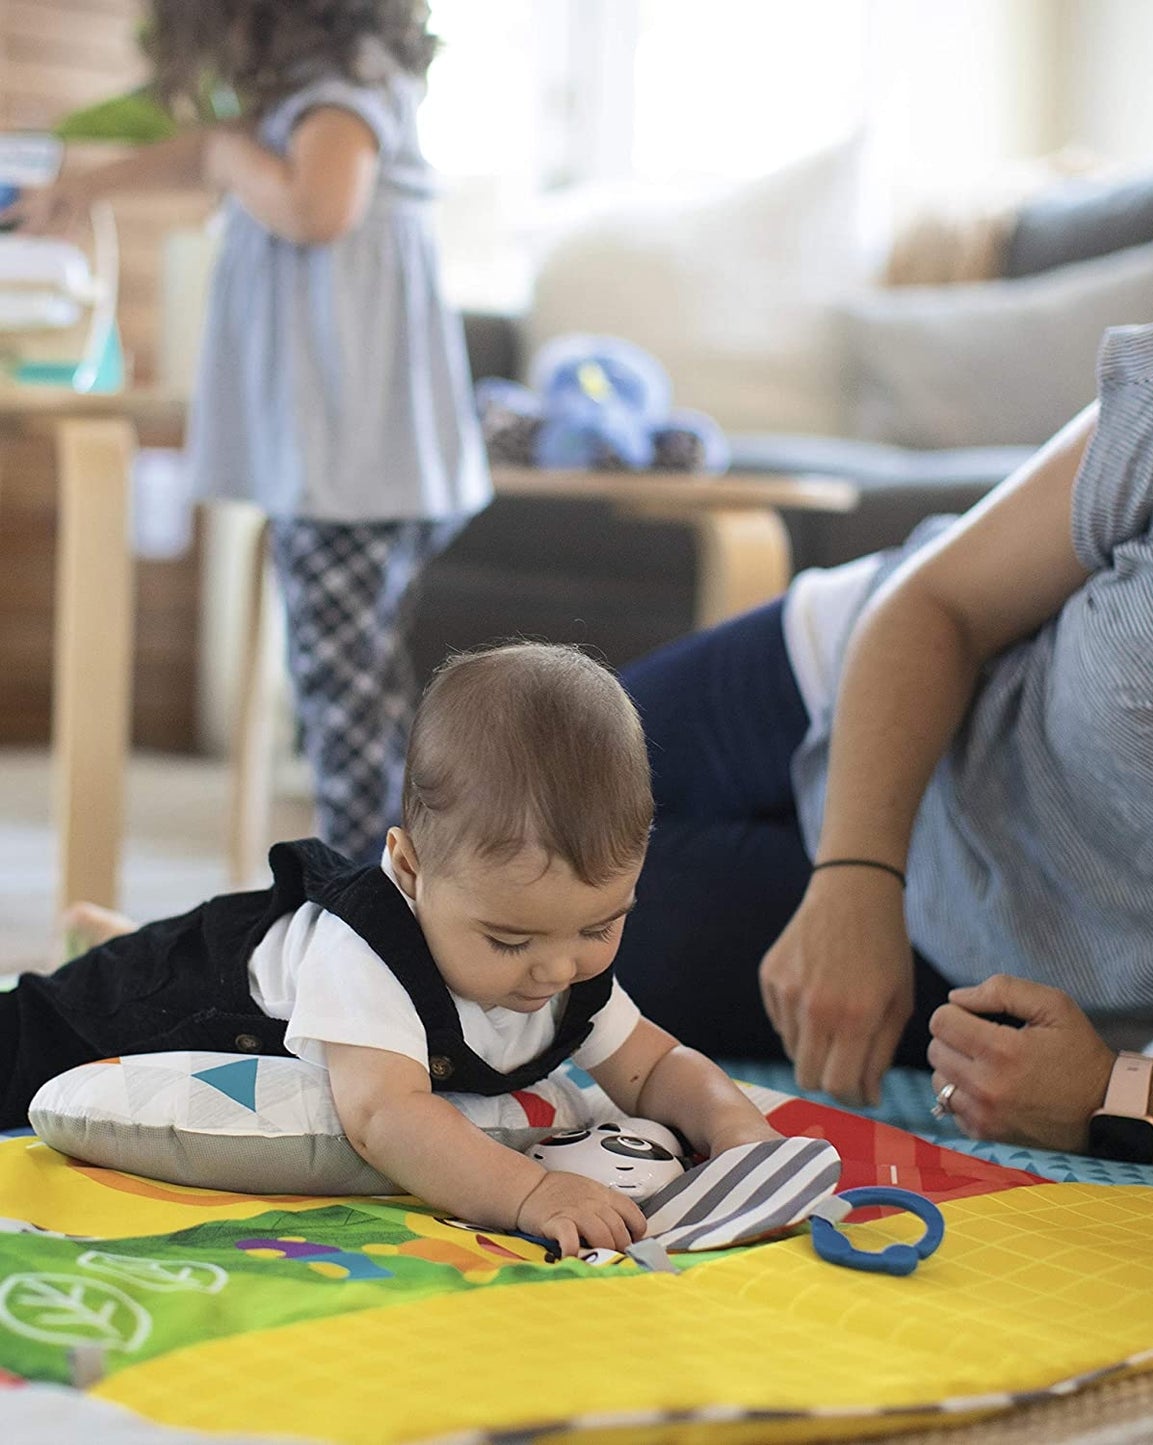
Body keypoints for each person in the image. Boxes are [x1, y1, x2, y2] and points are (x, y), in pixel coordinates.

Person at [612, 183, 1153, 1202]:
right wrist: (855, 874)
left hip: (980, 955)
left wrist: (1124, 1095)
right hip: (849, 686)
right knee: (473, 833)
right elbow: (940, 607)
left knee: (520, 958)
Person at [1, 645, 781, 1256]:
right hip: (168, 996)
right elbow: (385, 1113)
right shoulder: (367, 951)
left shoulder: (564, 963)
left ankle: (112, 926)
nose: (557, 969)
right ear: (408, 868)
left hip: (260, 969)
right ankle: (111, 944)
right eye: (509, 939)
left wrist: (738, 1130)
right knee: (28, 1035)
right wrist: (531, 1194)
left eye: (599, 926)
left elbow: (655, 1065)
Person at [5, 0, 488, 864]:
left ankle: (370, 902)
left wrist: (230, 154)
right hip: (352, 459)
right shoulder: (316, 94)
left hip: (350, 464)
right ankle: (392, 888)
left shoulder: (343, 95)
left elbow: (316, 209)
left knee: (343, 705)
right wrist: (85, 190)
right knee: (355, 694)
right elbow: (204, 155)